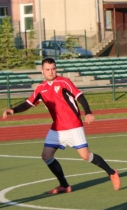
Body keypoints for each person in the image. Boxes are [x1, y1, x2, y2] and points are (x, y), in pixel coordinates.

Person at [2, 58, 120, 194]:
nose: (51, 72)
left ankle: (112, 172)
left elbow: (79, 96)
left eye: (53, 69)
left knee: (86, 156)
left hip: (73, 125)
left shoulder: (64, 82)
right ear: (42, 71)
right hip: (57, 128)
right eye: (47, 69)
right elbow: (29, 103)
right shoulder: (40, 88)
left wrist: (88, 112)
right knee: (46, 155)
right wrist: (13, 110)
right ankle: (64, 185)